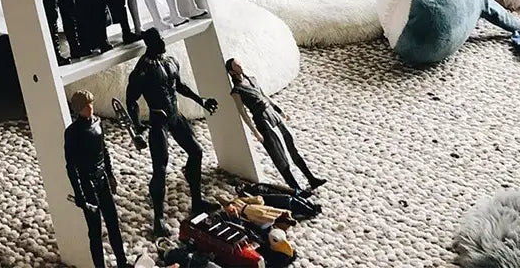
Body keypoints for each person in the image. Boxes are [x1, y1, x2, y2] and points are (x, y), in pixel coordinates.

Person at [126, 28, 218, 238]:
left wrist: (200, 100)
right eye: (158, 40)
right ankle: (159, 218)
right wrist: (137, 124)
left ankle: (197, 200)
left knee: (196, 152)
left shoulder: (170, 61)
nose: (163, 42)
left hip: (175, 116)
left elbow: (179, 86)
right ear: (150, 43)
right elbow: (131, 100)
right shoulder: (143, 69)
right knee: (160, 169)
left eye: (162, 38)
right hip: (159, 121)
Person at [225, 57, 325, 193]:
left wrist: (280, 111)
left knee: (291, 145)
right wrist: (255, 132)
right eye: (236, 66)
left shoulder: (252, 79)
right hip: (261, 119)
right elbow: (243, 113)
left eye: (239, 64)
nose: (240, 66)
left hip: (272, 113)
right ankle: (296, 189)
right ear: (231, 72)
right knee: (279, 155)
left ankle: (311, 178)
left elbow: (265, 96)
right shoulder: (237, 90)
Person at [64, 90, 130, 268]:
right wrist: (79, 194)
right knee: (95, 231)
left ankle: (122, 262)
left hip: (102, 179)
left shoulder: (98, 122)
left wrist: (110, 174)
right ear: (79, 109)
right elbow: (71, 166)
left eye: (91, 103)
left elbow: (105, 150)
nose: (90, 107)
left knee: (113, 223)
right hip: (87, 183)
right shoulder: (72, 132)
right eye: (86, 106)